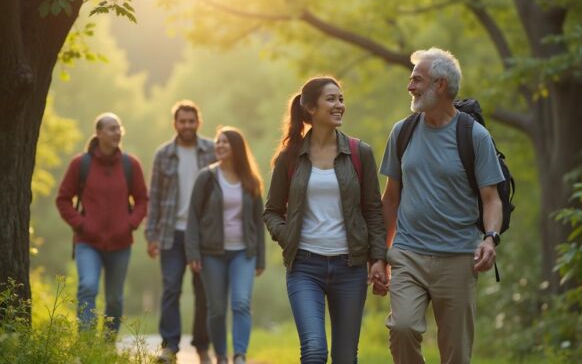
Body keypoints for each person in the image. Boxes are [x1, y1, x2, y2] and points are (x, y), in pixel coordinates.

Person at [379, 47, 504, 364]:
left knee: (456, 353)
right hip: (408, 253)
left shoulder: (474, 136)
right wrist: (380, 255)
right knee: (403, 328)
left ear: (441, 85)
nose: (410, 86)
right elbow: (390, 198)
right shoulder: (402, 132)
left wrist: (490, 238)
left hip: (459, 257)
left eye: (417, 79)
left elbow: (492, 199)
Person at [263, 76, 387, 363]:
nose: (339, 105)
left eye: (341, 99)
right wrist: (287, 236)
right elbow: (271, 211)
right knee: (315, 350)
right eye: (331, 99)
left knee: (345, 357)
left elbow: (373, 210)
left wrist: (378, 258)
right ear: (310, 108)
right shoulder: (289, 158)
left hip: (350, 267)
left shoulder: (359, 153)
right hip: (305, 267)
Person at [56, 112, 148, 338]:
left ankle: (107, 346)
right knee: (88, 287)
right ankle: (87, 345)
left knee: (115, 298)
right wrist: (81, 224)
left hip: (120, 243)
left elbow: (143, 199)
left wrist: (130, 224)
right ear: (98, 133)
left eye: (119, 128)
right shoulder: (81, 164)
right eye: (111, 128)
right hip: (88, 242)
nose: (117, 132)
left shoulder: (130, 164)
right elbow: (63, 199)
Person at [185, 126, 265, 364]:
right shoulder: (206, 177)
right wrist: (193, 252)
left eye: (225, 142)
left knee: (241, 303)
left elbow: (258, 223)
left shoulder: (251, 180)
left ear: (237, 148)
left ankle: (239, 354)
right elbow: (192, 218)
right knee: (217, 309)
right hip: (211, 254)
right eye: (217, 142)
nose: (218, 146)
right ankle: (221, 355)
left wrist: (260, 257)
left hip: (243, 252)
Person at [145, 100, 215, 364]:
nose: (187, 125)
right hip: (170, 233)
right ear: (175, 124)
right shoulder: (163, 154)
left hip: (203, 234)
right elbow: (155, 196)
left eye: (191, 121)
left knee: (204, 292)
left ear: (199, 122)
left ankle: (202, 345)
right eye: (182, 121)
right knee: (171, 289)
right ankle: (170, 346)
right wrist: (151, 234)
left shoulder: (211, 150)